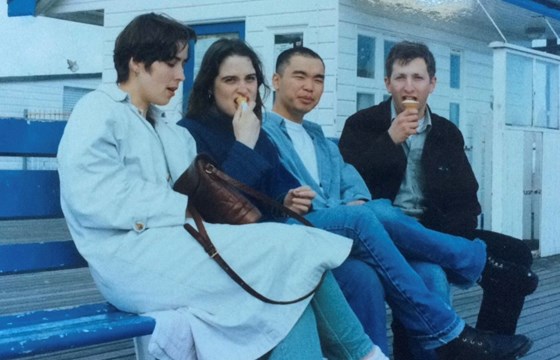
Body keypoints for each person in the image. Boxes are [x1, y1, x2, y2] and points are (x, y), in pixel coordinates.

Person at [57, 13, 384, 360]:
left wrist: (243, 146)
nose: (181, 75)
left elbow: (214, 201)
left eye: (183, 63)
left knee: (293, 286)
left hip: (181, 248)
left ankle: (364, 355)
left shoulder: (171, 131)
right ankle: (366, 355)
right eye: (171, 63)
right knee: (295, 251)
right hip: (128, 262)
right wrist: (179, 204)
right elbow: (92, 199)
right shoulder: (98, 112)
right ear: (137, 62)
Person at [179, 38, 533, 360]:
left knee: (423, 272)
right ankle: (461, 306)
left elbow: (349, 180)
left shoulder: (317, 136)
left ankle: (444, 337)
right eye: (230, 80)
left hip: (367, 231)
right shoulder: (251, 130)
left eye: (318, 79)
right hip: (281, 243)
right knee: (374, 215)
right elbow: (228, 203)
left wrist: (343, 200)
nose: (309, 86)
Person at [339, 40, 538, 340]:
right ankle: (476, 266)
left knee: (517, 253)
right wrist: (389, 141)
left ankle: (491, 342)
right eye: (400, 77)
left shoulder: (446, 132)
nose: (409, 87)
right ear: (387, 83)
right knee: (427, 270)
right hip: (384, 234)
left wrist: (444, 241)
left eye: (417, 78)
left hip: (436, 233)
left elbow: (467, 199)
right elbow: (347, 185)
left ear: (432, 84)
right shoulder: (361, 125)